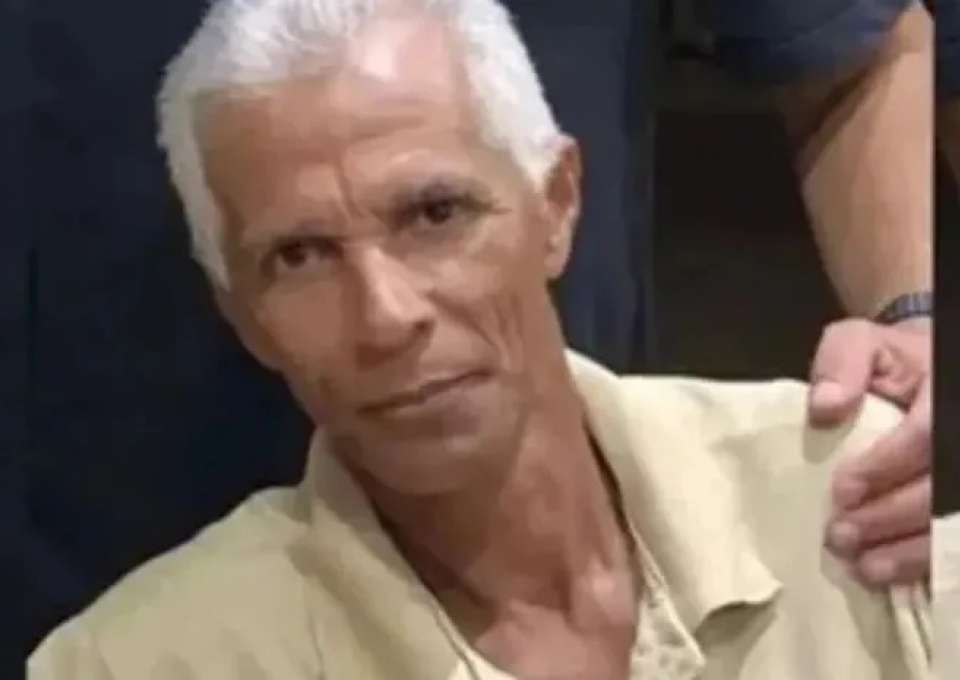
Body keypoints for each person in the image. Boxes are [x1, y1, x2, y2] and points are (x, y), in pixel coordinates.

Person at [28, 2, 931, 677]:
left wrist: (914, 328)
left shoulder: (844, 502)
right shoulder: (132, 663)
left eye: (436, 213)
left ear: (557, 204)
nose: (387, 314)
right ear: (241, 312)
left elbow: (853, 53)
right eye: (299, 256)